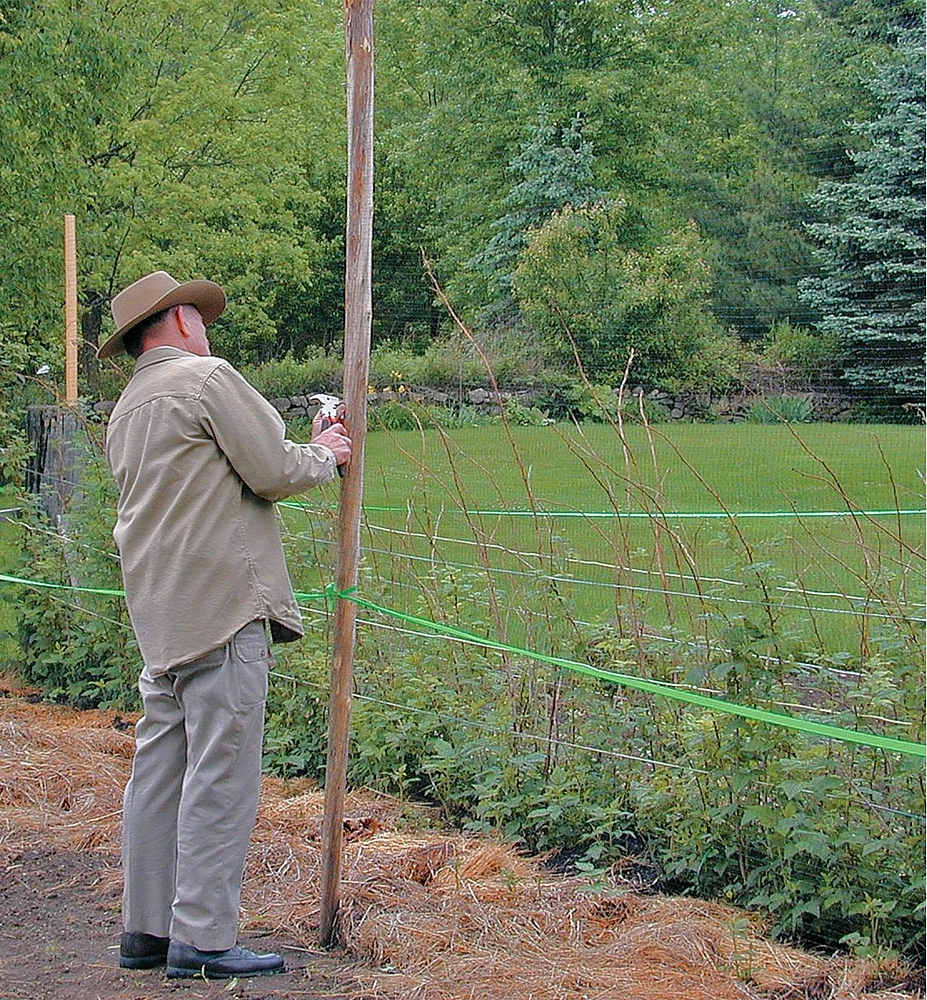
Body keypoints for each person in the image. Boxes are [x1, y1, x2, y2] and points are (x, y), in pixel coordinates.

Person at [99, 270, 352, 979]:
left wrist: (300, 453)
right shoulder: (206, 378)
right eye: (198, 317)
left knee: (157, 777)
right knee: (221, 776)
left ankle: (145, 934)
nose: (206, 328)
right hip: (223, 607)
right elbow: (270, 469)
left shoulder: (129, 405)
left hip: (161, 616)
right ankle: (204, 939)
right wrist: (326, 454)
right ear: (177, 322)